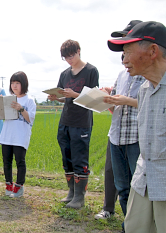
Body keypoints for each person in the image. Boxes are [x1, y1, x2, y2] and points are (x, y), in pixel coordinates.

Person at [108, 21, 166, 233]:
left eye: (128, 51)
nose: (124, 60)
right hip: (143, 180)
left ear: (153, 51)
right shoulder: (144, 89)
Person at [95, 20, 143, 222]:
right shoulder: (121, 75)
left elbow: (152, 105)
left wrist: (126, 101)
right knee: (122, 186)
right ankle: (128, 223)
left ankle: (138, 223)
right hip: (116, 136)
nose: (125, 55)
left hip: (136, 138)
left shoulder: (149, 75)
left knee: (138, 186)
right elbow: (114, 104)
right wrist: (105, 99)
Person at [48, 39, 99, 209]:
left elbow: (94, 98)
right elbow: (66, 97)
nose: (69, 60)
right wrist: (58, 97)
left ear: (79, 51)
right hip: (66, 120)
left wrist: (75, 94)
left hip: (81, 122)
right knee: (67, 157)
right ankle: (71, 192)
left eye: (71, 56)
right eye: (66, 58)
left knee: (79, 159)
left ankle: (79, 197)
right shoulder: (64, 74)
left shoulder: (91, 71)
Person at [0, 71, 36, 198]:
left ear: (23, 84)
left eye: (17, 83)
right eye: (12, 83)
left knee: (20, 161)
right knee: (6, 161)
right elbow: (2, 115)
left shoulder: (29, 100)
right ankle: (8, 185)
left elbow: (30, 119)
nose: (14, 86)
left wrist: (21, 109)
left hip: (20, 136)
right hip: (7, 134)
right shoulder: (8, 99)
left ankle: (19, 187)